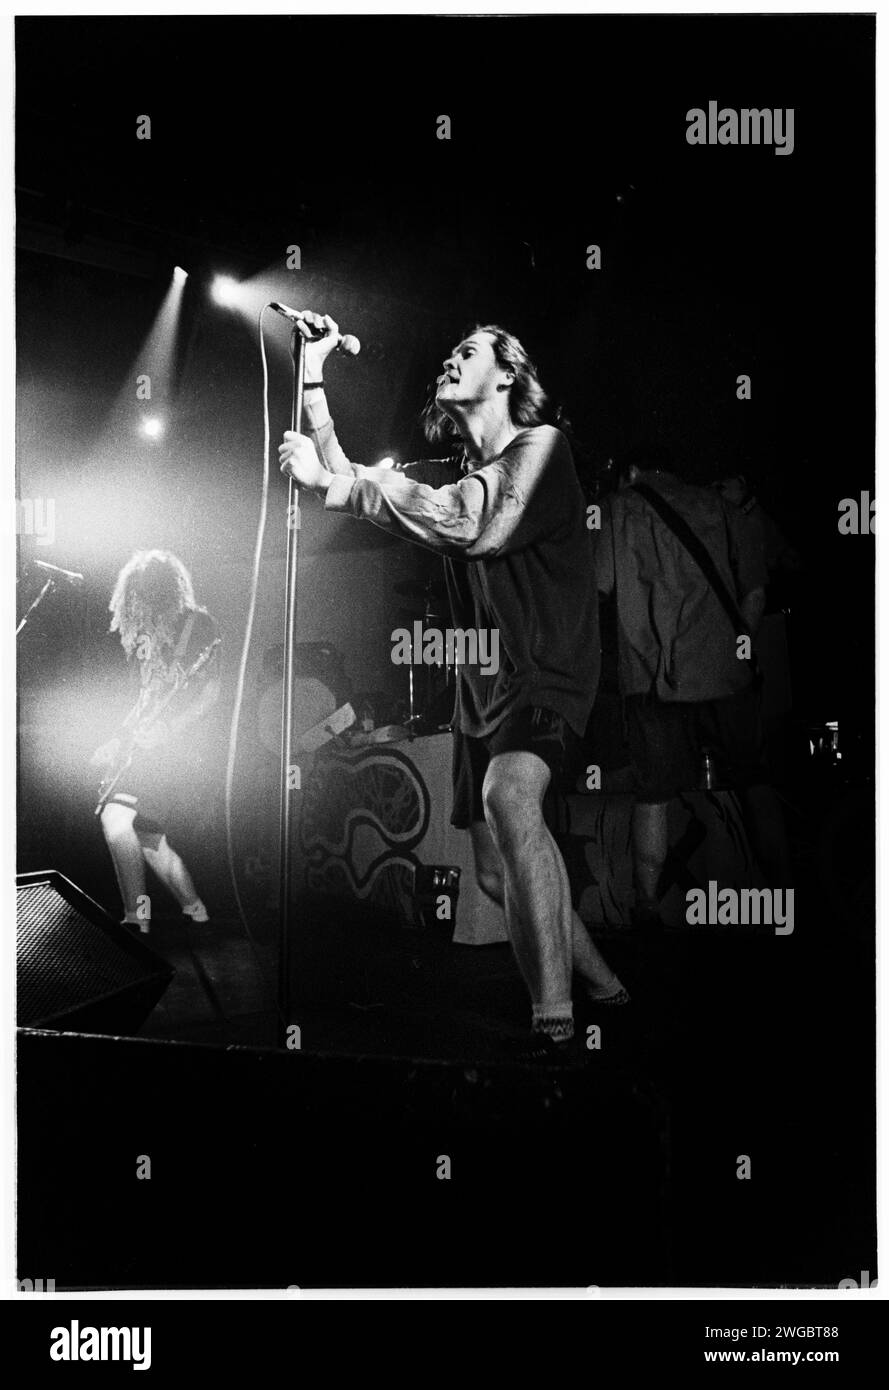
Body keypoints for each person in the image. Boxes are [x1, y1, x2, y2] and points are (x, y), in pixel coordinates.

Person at [279, 314, 628, 1060]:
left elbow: (476, 527)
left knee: (511, 798)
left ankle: (555, 1022)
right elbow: (354, 476)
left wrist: (343, 488)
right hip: (482, 691)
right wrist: (313, 375)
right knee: (497, 871)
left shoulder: (542, 449)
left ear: (506, 374)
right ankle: (604, 985)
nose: (448, 359)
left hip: (548, 673)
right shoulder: (452, 479)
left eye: (466, 352)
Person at [595, 448, 792, 926]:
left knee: (654, 796)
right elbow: (756, 590)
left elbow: (600, 583)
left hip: (653, 679)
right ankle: (788, 897)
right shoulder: (718, 504)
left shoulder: (618, 508)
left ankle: (647, 911)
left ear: (631, 471)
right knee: (755, 783)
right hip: (727, 675)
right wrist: (737, 649)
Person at [92, 550, 221, 928]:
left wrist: (170, 729)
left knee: (116, 819)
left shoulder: (198, 624)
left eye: (140, 592)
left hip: (179, 751)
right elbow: (145, 698)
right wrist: (117, 739)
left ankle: (137, 916)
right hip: (144, 749)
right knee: (151, 844)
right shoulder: (145, 636)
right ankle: (197, 911)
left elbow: (212, 694)